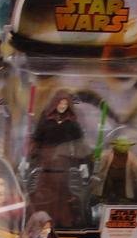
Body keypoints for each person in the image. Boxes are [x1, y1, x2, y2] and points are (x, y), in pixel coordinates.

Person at [26, 90, 91, 229]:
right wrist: (30, 158)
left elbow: (79, 143)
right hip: (46, 162)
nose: (62, 106)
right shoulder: (46, 119)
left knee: (63, 192)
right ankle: (42, 221)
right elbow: (37, 139)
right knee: (43, 191)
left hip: (63, 163)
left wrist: (83, 162)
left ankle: (61, 220)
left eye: (65, 104)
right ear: (55, 103)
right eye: (60, 103)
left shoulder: (71, 122)